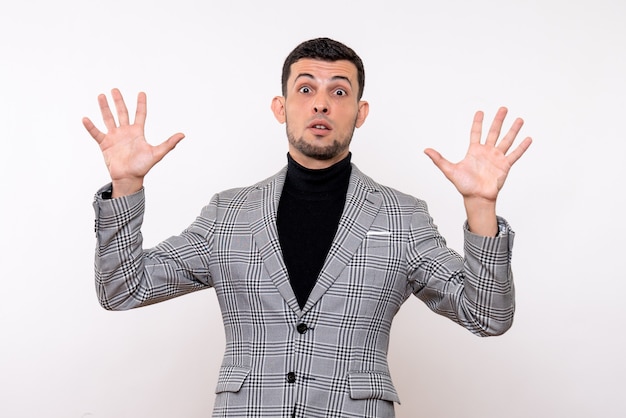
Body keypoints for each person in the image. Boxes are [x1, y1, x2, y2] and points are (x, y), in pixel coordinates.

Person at [83, 37, 532, 418]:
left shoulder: (403, 217)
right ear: (281, 107)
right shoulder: (229, 214)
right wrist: (126, 184)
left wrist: (480, 207)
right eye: (305, 88)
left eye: (339, 92)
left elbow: (487, 315)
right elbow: (123, 288)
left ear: (360, 112)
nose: (321, 102)